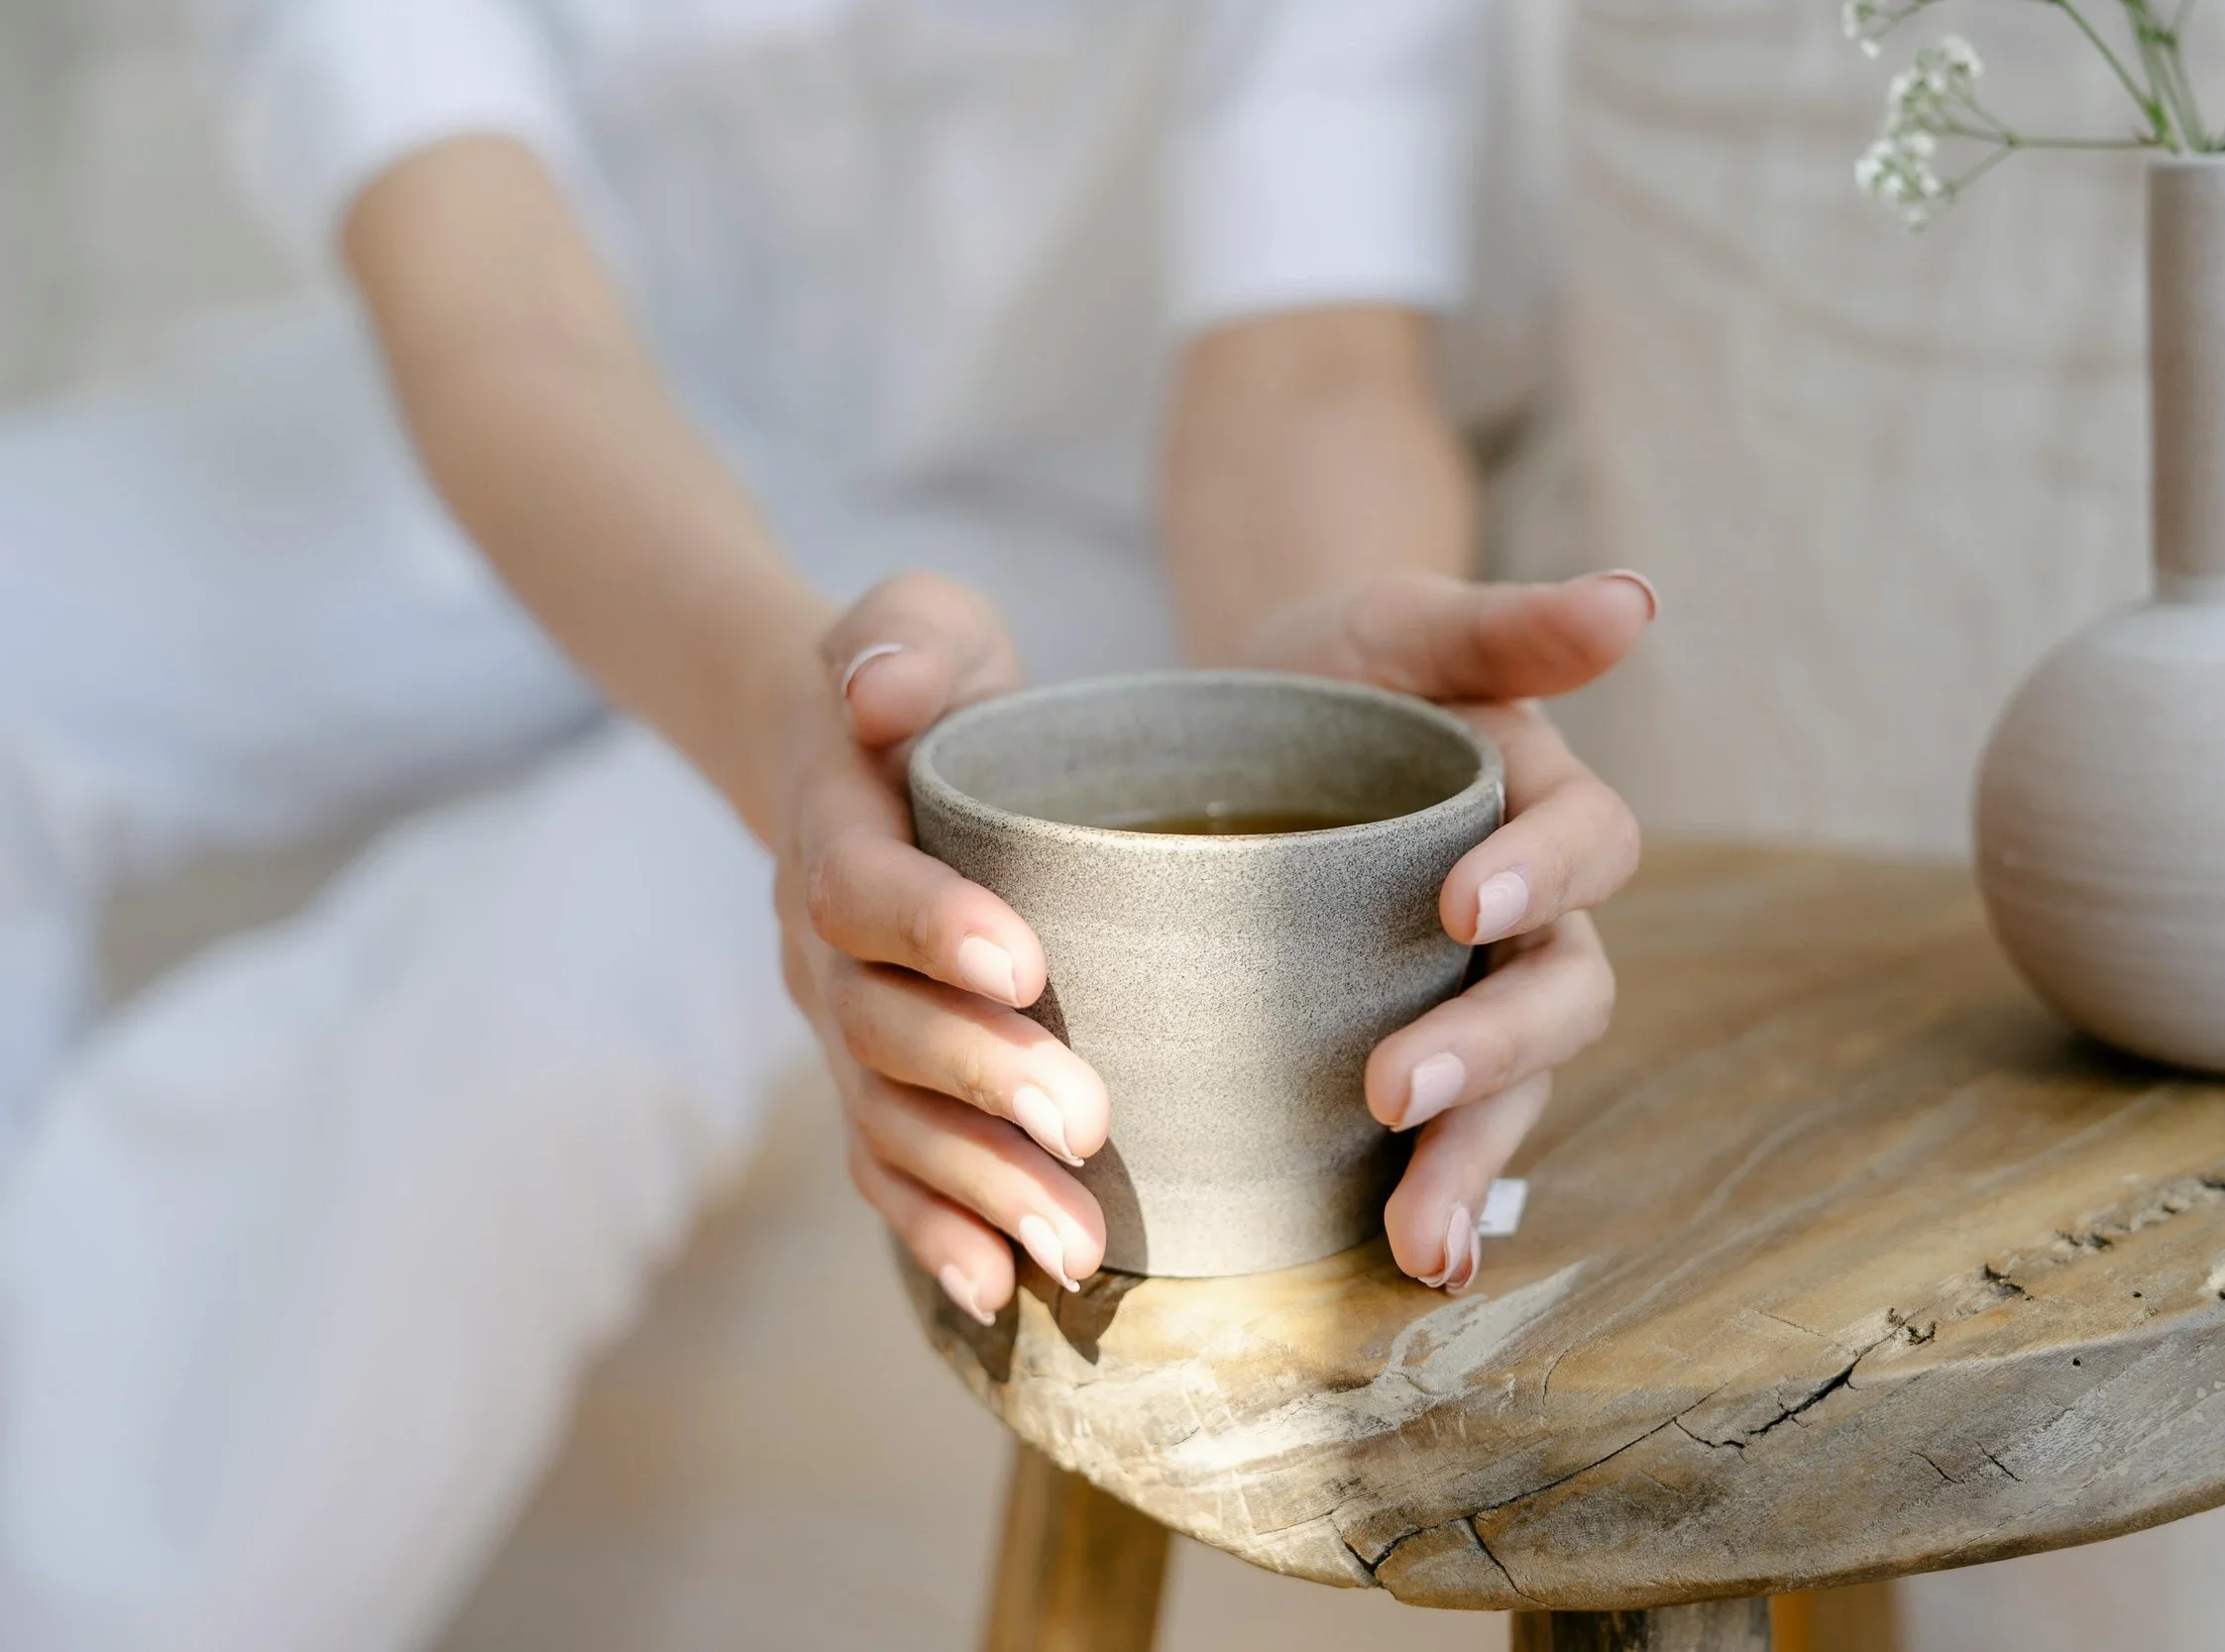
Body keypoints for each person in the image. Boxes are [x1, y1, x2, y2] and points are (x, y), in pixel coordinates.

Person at [0, 1, 1648, 1644]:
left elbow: (1307, 366)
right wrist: (777, 711)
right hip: (563, 428)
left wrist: (1367, 749)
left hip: (1082, 508)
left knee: (552, 1001)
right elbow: (498, 314)